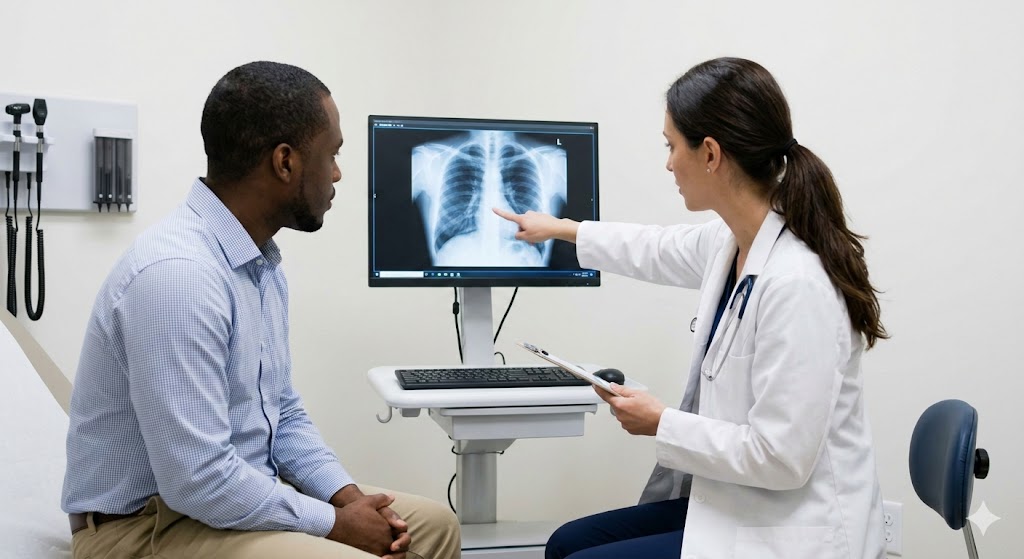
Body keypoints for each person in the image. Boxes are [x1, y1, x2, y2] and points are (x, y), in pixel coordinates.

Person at [62, 61, 460, 559]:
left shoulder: (257, 262)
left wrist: (351, 500)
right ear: (286, 162)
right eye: (332, 154)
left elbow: (282, 414)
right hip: (146, 527)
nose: (337, 173)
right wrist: (335, 524)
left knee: (433, 527)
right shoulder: (179, 276)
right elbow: (199, 480)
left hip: (225, 505)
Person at [495, 57, 887, 559]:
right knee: (565, 545)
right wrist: (561, 228)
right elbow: (654, 248)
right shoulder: (732, 241)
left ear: (710, 154)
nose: (667, 162)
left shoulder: (797, 285)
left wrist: (661, 421)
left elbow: (782, 459)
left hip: (792, 527)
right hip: (742, 499)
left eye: (670, 145)